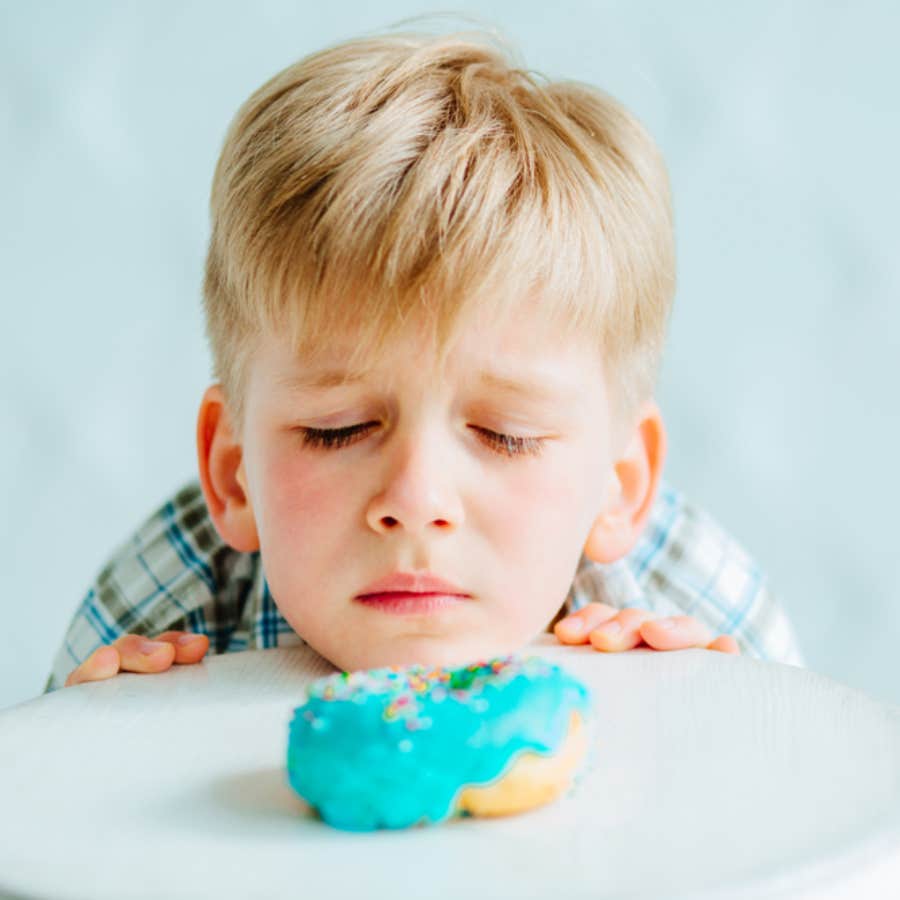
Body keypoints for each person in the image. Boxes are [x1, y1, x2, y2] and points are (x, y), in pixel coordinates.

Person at [44, 27, 805, 693]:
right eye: (337, 429)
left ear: (621, 487)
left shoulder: (699, 609)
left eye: (507, 435)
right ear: (232, 470)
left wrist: (701, 747)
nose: (416, 499)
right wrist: (94, 762)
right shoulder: (159, 614)